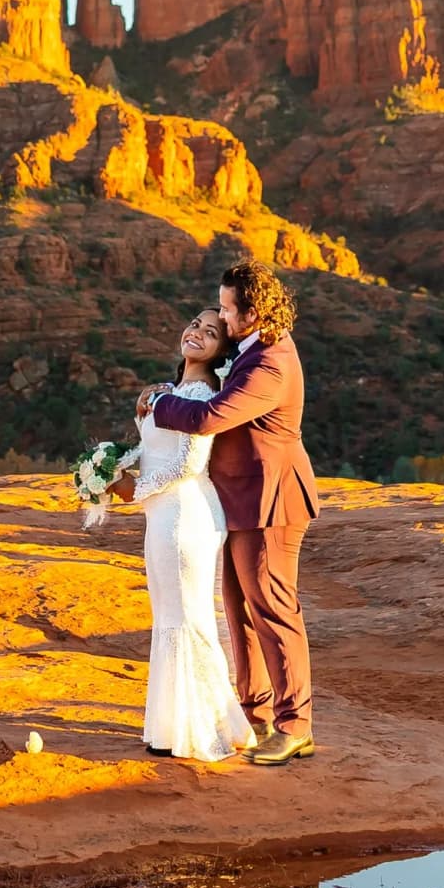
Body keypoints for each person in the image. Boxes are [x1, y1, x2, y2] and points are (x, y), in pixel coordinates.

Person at [143, 260, 318, 767]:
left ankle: (295, 726)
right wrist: (167, 388)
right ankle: (254, 712)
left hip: (272, 500)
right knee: (239, 611)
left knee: (273, 608)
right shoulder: (251, 351)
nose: (220, 315)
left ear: (252, 311)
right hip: (239, 500)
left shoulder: (271, 363)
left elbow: (209, 416)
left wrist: (158, 403)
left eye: (225, 309)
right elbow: (208, 386)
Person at [108, 309, 255, 764]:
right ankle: (172, 728)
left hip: (185, 516)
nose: (197, 333)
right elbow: (153, 451)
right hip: (163, 515)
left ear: (220, 352)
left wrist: (134, 492)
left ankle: (206, 729)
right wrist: (107, 469)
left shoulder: (203, 394)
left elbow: (188, 465)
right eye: (195, 324)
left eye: (211, 332)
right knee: (170, 618)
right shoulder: (167, 392)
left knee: (188, 620)